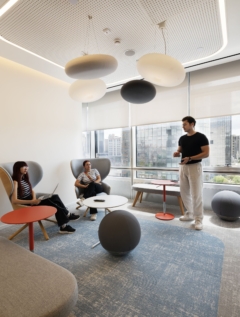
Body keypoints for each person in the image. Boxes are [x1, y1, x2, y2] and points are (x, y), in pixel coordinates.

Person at [11, 161, 79, 234]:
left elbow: (32, 191)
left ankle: (66, 216)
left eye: (27, 166)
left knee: (54, 197)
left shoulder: (24, 179)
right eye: (23, 167)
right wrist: (32, 202)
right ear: (18, 168)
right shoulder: (16, 182)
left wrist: (34, 199)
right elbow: (14, 200)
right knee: (55, 204)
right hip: (26, 204)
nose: (26, 168)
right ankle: (64, 225)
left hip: (32, 200)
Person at [173, 116, 209, 230]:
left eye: (185, 124)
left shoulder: (201, 137)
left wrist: (190, 158)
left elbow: (206, 153)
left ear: (192, 124)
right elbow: (179, 150)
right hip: (183, 167)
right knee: (184, 193)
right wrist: (177, 152)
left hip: (195, 167)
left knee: (196, 194)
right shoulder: (182, 138)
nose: (183, 126)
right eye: (182, 124)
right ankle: (190, 213)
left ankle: (198, 219)